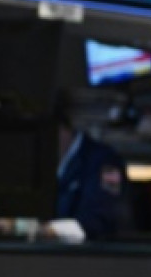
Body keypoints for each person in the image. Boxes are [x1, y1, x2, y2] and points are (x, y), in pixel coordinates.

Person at [51, 90, 125, 242]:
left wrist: (48, 229)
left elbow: (98, 220)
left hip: (96, 257)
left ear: (62, 130)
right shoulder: (50, 165)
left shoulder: (106, 161)